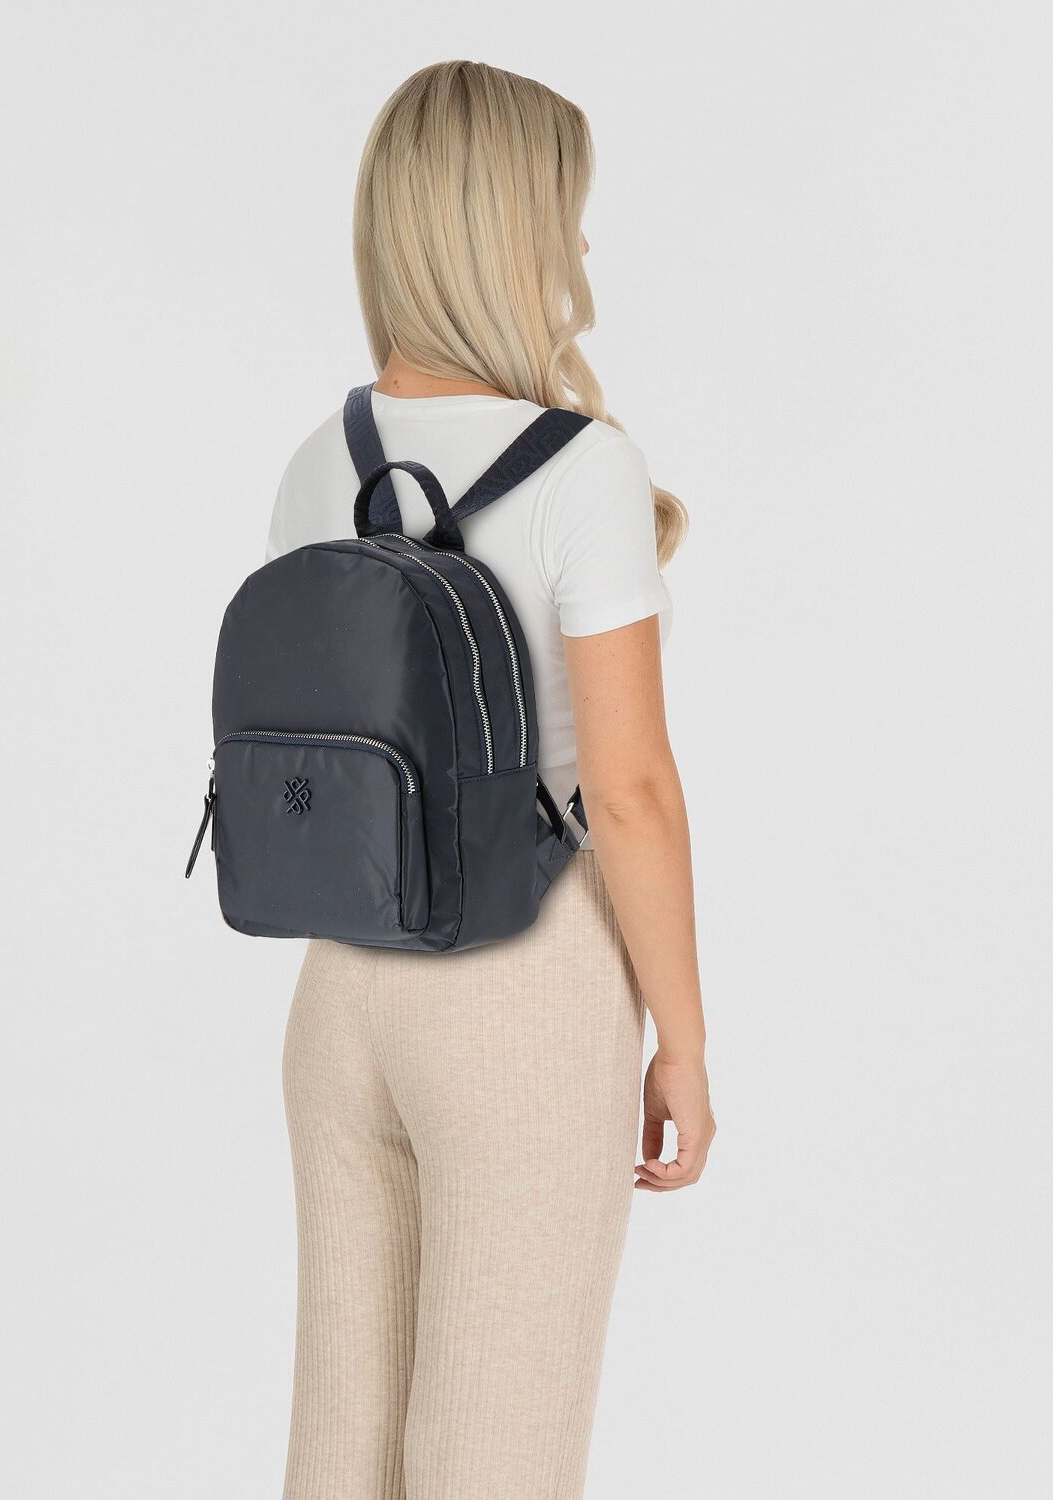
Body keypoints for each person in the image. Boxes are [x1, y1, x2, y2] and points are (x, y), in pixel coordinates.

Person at [261, 60, 715, 1500]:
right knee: (494, 1459)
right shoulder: (583, 470)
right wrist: (684, 1042)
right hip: (522, 985)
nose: (581, 245)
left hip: (342, 994)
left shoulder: (320, 464)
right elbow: (629, 792)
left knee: (343, 1455)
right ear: (506, 233)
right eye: (565, 213)